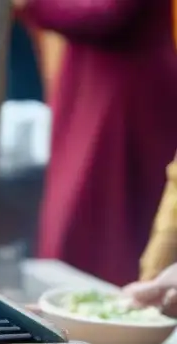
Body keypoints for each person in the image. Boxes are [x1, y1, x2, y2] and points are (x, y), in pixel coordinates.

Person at [18, 0, 177, 286]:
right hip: (89, 88)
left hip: (124, 94)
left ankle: (126, 311)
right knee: (76, 217)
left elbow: (110, 12)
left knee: (108, 220)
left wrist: (34, 4)